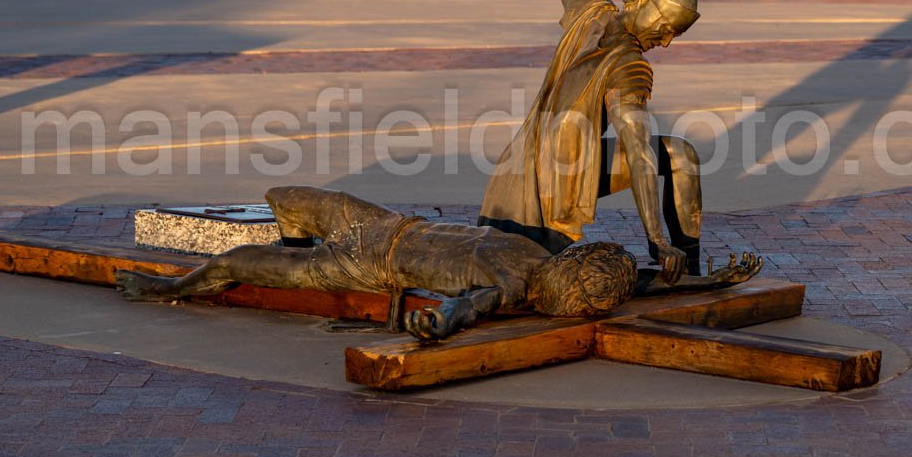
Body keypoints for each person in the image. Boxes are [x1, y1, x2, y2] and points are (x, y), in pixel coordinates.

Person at [117, 187, 759, 341]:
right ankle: (292, 249)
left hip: (365, 265)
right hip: (382, 223)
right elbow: (641, 284)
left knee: (238, 260)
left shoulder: (512, 286)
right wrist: (709, 278)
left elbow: (463, 306)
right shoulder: (543, 256)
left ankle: (163, 289)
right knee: (285, 198)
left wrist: (439, 327)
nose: (583, 259)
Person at [478, 0, 703, 284]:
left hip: (515, 171)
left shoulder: (591, 13)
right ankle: (689, 270)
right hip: (558, 181)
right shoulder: (630, 66)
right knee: (681, 156)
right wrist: (658, 240)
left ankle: (683, 266)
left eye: (673, 35)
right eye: (665, 28)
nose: (664, 41)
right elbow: (640, 152)